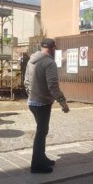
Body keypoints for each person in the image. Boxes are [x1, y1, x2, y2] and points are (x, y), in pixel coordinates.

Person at [24, 38, 70, 174]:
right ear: (52, 49)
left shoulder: (31, 60)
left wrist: (31, 95)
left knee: (42, 131)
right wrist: (63, 103)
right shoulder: (49, 63)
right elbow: (53, 86)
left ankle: (42, 158)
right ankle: (37, 164)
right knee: (41, 132)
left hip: (32, 102)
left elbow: (26, 81)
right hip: (43, 102)